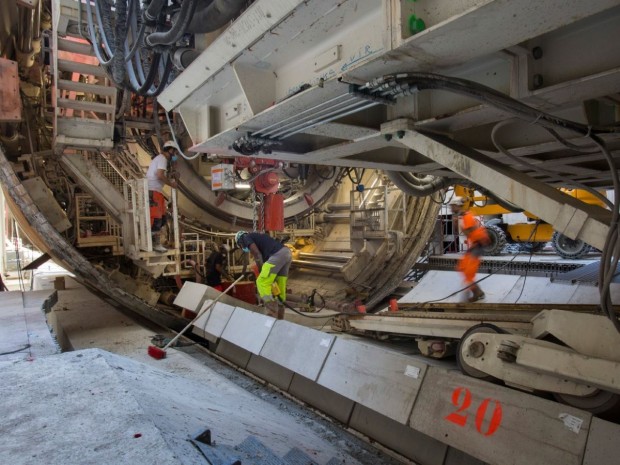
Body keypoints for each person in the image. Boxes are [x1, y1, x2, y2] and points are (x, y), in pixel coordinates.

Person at [235, 231, 292, 319]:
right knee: (279, 285)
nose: (245, 248)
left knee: (262, 282)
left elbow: (257, 255)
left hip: (277, 255)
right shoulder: (258, 237)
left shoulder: (245, 238)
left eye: (241, 246)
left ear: (240, 241)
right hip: (286, 253)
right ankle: (280, 318)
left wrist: (261, 272)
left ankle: (271, 316)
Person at [450, 196, 490, 302]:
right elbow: (462, 232)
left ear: (458, 206)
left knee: (468, 272)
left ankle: (466, 299)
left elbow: (469, 231)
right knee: (462, 267)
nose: (451, 208)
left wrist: (459, 223)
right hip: (474, 246)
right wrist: (456, 222)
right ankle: (478, 292)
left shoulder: (467, 216)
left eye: (453, 206)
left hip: (478, 246)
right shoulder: (463, 217)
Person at [146, 141, 179, 252]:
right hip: (153, 191)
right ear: (171, 150)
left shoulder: (160, 159)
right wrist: (171, 184)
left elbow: (161, 174)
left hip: (156, 191)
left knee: (163, 219)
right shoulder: (162, 159)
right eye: (174, 152)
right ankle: (154, 244)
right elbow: (160, 175)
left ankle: (155, 242)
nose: (175, 155)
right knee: (156, 220)